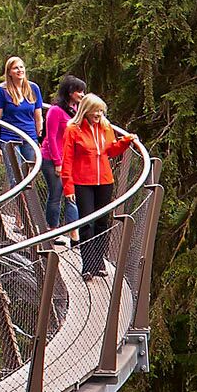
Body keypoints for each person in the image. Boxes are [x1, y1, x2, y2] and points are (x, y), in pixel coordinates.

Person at [65, 94, 130, 279]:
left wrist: (125, 143)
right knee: (87, 223)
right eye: (96, 111)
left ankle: (99, 262)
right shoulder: (73, 129)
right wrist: (68, 187)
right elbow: (67, 159)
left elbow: (111, 151)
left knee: (102, 222)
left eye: (102, 111)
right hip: (83, 182)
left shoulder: (105, 126)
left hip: (105, 181)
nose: (99, 114)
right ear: (86, 110)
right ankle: (87, 265)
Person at [0, 57, 45, 209]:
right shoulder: (3, 91)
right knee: (16, 178)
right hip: (9, 138)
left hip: (30, 137)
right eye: (15, 68)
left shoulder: (33, 89)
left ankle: (25, 216)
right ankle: (22, 216)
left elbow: (38, 116)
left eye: (21, 67)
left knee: (30, 177)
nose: (20, 70)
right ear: (9, 72)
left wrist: (40, 138)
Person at [40, 75, 86, 228]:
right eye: (79, 91)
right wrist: (57, 162)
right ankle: (52, 229)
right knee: (56, 194)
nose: (82, 95)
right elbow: (51, 137)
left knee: (71, 194)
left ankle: (73, 231)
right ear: (70, 92)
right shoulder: (55, 110)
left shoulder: (76, 109)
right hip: (51, 158)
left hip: (69, 158)